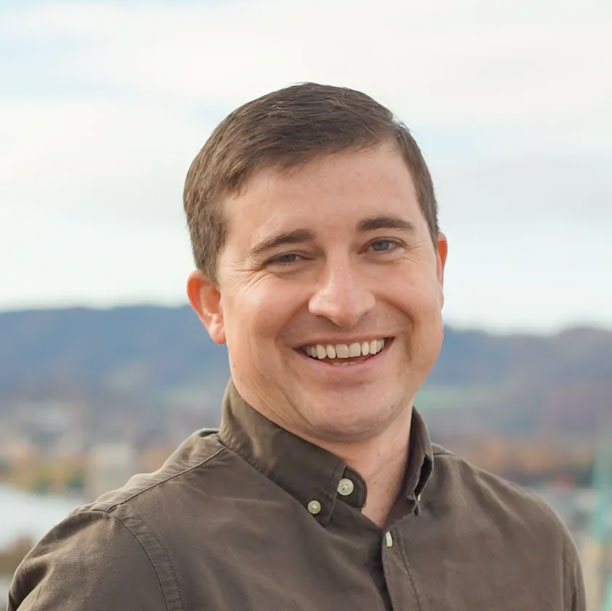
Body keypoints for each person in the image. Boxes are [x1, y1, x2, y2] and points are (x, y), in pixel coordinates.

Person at [8, 84, 585, 610]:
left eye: (382, 245)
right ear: (213, 305)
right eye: (288, 257)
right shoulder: (122, 570)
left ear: (436, 269)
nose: (345, 304)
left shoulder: (531, 544)